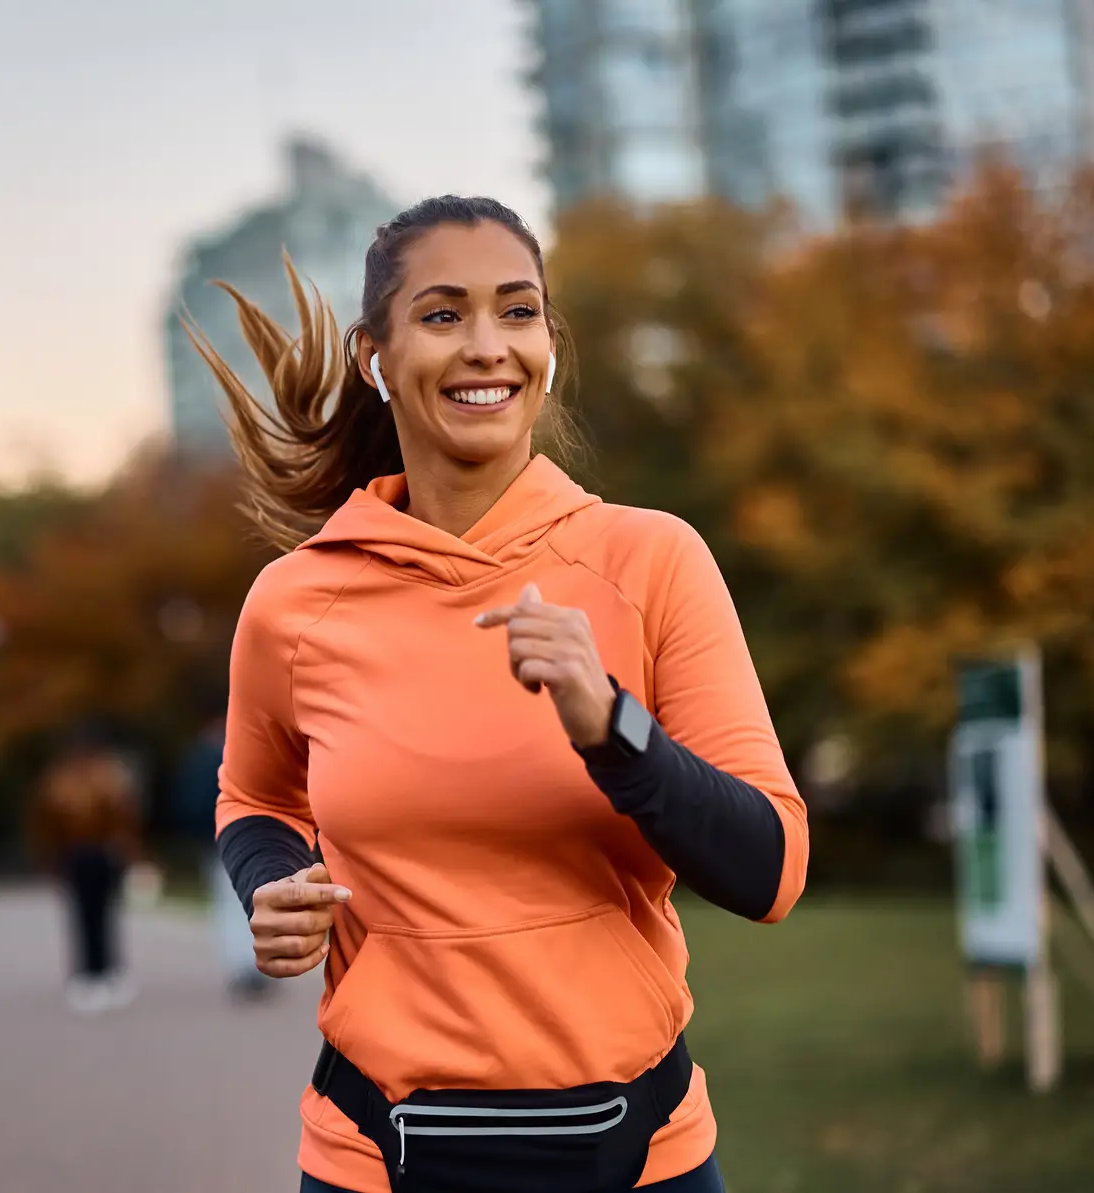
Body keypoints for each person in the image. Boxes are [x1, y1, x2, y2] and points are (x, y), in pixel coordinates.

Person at [194, 197, 810, 1192]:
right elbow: (255, 794)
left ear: (548, 346)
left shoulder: (652, 560)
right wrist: (271, 879)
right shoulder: (294, 602)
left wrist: (613, 729)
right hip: (376, 1155)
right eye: (443, 315)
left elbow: (770, 869)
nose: (487, 345)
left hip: (639, 1155)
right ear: (375, 357)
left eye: (517, 312)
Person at [27, 727, 143, 1016]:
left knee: (101, 914)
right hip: (78, 854)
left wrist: (125, 850)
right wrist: (51, 857)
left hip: (100, 853)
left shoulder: (101, 778)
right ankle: (90, 971)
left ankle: (105, 969)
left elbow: (124, 817)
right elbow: (47, 821)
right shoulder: (70, 780)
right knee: (85, 915)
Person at [174, 713, 269, 1000]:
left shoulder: (202, 759)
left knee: (231, 903)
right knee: (244, 901)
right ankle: (250, 963)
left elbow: (189, 804)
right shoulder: (236, 756)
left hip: (219, 839)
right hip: (240, 836)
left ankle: (242, 963)